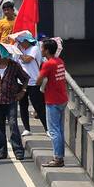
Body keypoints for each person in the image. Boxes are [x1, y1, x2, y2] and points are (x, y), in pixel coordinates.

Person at [0, 51, 29, 161]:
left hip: (11, 99)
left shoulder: (14, 65)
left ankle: (18, 151)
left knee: (13, 124)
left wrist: (22, 92)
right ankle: (1, 152)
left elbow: (25, 78)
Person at [36, 39, 68, 167]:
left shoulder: (48, 64)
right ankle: (60, 156)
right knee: (59, 130)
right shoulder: (59, 61)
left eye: (43, 48)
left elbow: (38, 81)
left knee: (54, 130)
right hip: (62, 99)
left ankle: (58, 159)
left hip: (52, 100)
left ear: (47, 50)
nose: (41, 50)